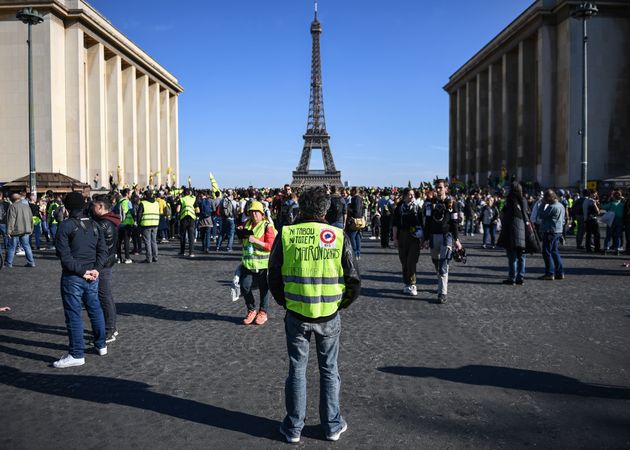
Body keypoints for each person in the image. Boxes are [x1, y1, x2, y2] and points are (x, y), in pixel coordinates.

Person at [268, 186, 360, 444]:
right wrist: (338, 304)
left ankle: (294, 427)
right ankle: (331, 424)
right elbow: (354, 280)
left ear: (301, 206)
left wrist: (286, 302)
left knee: (297, 370)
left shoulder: (287, 233)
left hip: (296, 313)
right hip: (329, 315)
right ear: (326, 208)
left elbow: (273, 275)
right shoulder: (338, 235)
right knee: (329, 370)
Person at [53, 192, 108, 368]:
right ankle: (101, 344)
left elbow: (65, 256)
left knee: (73, 314)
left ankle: (77, 353)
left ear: (67, 208)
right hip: (92, 275)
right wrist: (96, 270)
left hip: (74, 276)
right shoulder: (94, 225)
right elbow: (103, 251)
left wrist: (83, 271)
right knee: (95, 309)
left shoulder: (65, 226)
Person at [236, 201, 277, 325]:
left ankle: (263, 312)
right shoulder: (246, 225)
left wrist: (255, 241)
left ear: (262, 213)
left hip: (263, 264)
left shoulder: (267, 226)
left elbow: (271, 246)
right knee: (244, 286)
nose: (254, 214)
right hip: (248, 263)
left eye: (256, 212)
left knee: (264, 289)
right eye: (251, 212)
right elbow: (242, 243)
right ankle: (251, 309)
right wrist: (240, 234)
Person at [423, 179, 462, 304]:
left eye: (440, 187)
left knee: (443, 264)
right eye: (436, 188)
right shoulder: (430, 203)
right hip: (434, 235)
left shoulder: (452, 203)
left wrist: (456, 239)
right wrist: (425, 238)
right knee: (436, 261)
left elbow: (455, 222)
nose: (438, 190)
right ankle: (439, 281)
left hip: (447, 236)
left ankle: (442, 293)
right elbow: (428, 221)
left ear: (446, 188)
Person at [91, 194, 120, 343]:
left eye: (93, 205)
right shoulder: (110, 221)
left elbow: (97, 246)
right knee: (104, 296)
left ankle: (110, 330)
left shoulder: (103, 224)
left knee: (104, 296)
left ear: (101, 206)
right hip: (107, 262)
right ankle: (110, 328)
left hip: (102, 265)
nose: (91, 208)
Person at [392, 188, 424, 296]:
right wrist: (395, 238)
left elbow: (422, 224)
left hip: (414, 236)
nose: (411, 197)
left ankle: (413, 283)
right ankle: (407, 283)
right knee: (404, 261)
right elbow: (395, 224)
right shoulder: (399, 209)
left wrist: (423, 238)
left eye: (413, 195)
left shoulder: (418, 208)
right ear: (405, 196)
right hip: (402, 236)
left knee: (411, 261)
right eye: (409, 195)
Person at [497, 181, 529, 285]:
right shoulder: (524, 200)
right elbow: (526, 214)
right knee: (522, 256)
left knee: (512, 256)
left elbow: (504, 216)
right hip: (523, 230)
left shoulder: (510, 201)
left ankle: (512, 278)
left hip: (512, 230)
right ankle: (521, 277)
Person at [538, 189, 565, 280]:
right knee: (554, 252)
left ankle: (549, 273)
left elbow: (540, 215)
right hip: (557, 231)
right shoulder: (560, 205)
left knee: (546, 252)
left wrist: (542, 204)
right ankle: (560, 272)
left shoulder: (552, 207)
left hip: (550, 231)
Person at [5, 192, 35, 268]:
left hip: (16, 230)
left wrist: (8, 231)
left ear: (12, 199)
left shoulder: (12, 207)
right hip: (26, 229)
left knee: (12, 247)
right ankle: (31, 262)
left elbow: (11, 220)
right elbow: (31, 218)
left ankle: (9, 263)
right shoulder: (26, 206)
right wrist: (31, 228)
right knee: (27, 246)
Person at [137, 191, 160, 263]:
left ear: (145, 196)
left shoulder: (143, 203)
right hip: (155, 223)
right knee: (154, 241)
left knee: (147, 242)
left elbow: (139, 214)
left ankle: (149, 258)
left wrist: (138, 223)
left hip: (146, 224)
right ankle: (155, 257)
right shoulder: (156, 203)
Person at [177, 188, 198, 257]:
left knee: (183, 236)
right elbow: (198, 210)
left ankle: (182, 252)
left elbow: (178, 210)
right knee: (191, 236)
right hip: (191, 219)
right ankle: (191, 252)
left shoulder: (182, 199)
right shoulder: (194, 199)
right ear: (190, 193)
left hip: (183, 219)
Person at [116, 189, 134, 264]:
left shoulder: (119, 202)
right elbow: (132, 212)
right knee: (126, 241)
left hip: (119, 223)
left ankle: (119, 258)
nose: (130, 195)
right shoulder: (128, 202)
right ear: (127, 194)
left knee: (119, 241)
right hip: (127, 223)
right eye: (130, 193)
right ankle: (127, 257)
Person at [346, 187, 364, 259]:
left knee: (352, 236)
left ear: (354, 191)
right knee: (357, 237)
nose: (350, 192)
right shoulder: (359, 198)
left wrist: (349, 208)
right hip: (359, 220)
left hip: (355, 220)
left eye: (351, 191)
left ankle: (355, 252)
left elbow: (356, 211)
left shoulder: (356, 198)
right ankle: (358, 253)